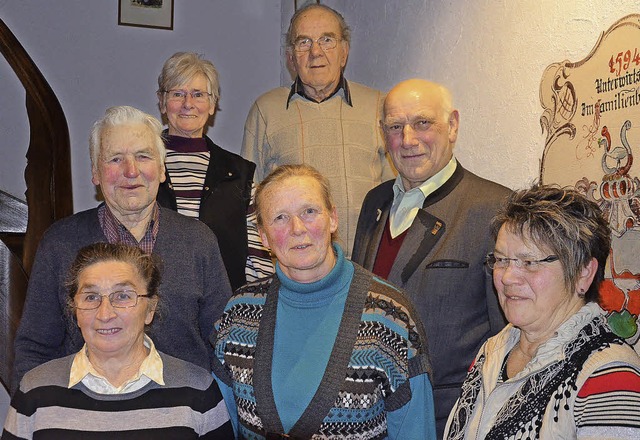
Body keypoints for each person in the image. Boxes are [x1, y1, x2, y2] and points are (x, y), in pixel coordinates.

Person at [12, 106, 232, 391]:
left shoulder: (198, 241)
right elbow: (35, 349)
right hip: (84, 418)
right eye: (116, 159)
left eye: (143, 156)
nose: (131, 171)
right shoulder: (60, 243)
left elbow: (224, 345)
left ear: (162, 169)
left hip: (180, 413)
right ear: (95, 172)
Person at [212, 164, 436, 439]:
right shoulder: (238, 315)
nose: (297, 228)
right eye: (280, 217)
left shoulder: (390, 318)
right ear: (263, 237)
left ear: (332, 218)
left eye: (309, 211)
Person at [352, 78, 510, 436]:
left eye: (423, 123)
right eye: (395, 127)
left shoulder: (495, 210)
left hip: (452, 420)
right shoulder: (374, 203)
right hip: (369, 414)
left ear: (452, 125)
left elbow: (509, 335)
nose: (408, 140)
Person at [444, 185, 640, 439]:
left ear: (584, 272)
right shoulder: (492, 351)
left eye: (529, 262)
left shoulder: (610, 377)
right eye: (501, 260)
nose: (507, 277)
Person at [2, 242, 233, 439]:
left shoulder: (198, 390)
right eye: (91, 297)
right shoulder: (34, 391)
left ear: (150, 309)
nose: (105, 314)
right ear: (75, 310)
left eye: (123, 296)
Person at [242, 4, 394, 256]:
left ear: (344, 52)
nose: (316, 52)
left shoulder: (378, 106)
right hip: (295, 268)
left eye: (327, 40)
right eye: (304, 42)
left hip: (366, 265)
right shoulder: (265, 110)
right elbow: (251, 202)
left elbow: (397, 195)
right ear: (291, 58)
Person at [156, 52, 259, 291]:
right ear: (162, 102)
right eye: (177, 94)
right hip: (155, 309)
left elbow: (257, 256)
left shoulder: (239, 173)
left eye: (199, 94)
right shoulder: (141, 166)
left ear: (213, 104)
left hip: (224, 306)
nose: (188, 104)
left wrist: (252, 307)